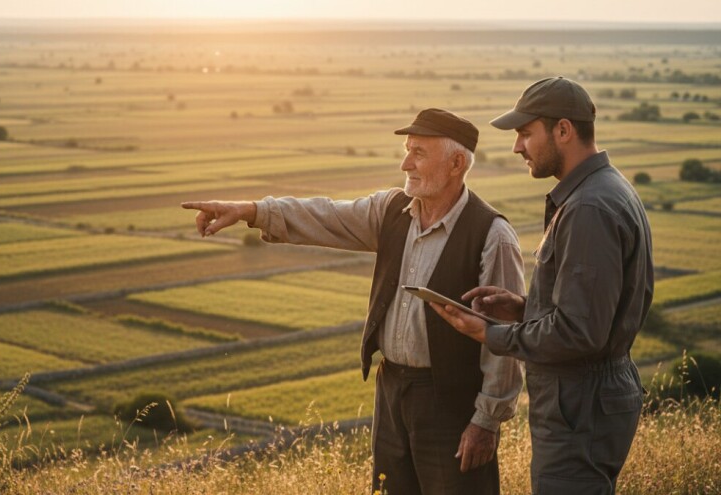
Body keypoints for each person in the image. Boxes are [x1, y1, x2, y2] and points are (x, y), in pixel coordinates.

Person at [182, 108, 524, 495]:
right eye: (407, 150)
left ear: (456, 163)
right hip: (391, 389)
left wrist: (486, 421)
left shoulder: (492, 235)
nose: (405, 164)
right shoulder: (391, 210)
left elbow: (505, 337)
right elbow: (327, 215)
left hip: (452, 403)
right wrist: (250, 210)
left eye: (418, 153)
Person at [429, 77, 653, 495]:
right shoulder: (606, 189)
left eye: (526, 133)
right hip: (588, 401)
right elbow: (592, 309)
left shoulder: (588, 207)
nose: (517, 147)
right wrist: (523, 308)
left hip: (578, 407)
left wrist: (490, 334)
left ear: (563, 130)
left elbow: (578, 332)